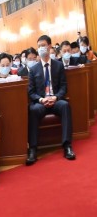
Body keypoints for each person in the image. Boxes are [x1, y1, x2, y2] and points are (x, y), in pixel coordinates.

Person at [26, 35, 75, 164]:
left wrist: (56, 97)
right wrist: (41, 100)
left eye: (43, 45)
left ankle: (67, 146)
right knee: (33, 110)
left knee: (65, 106)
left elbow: (64, 87)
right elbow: (31, 92)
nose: (41, 48)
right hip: (41, 102)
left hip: (56, 100)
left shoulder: (58, 66)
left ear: (49, 46)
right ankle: (33, 149)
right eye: (39, 46)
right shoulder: (33, 69)